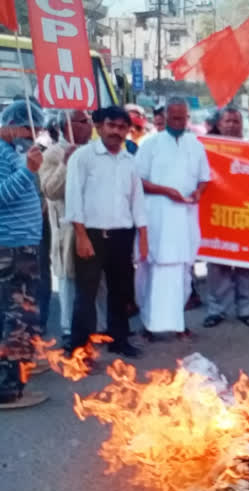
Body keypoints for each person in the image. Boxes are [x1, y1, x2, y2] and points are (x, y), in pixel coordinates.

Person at [0, 99, 47, 409]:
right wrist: (29, 171)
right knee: (20, 314)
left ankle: (21, 364)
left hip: (17, 241)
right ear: (15, 125)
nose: (35, 135)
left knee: (22, 310)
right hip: (9, 244)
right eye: (31, 129)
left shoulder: (1, 149)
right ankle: (10, 388)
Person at [65, 106, 148, 358]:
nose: (116, 131)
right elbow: (73, 199)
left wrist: (143, 239)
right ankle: (79, 348)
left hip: (122, 235)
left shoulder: (130, 161)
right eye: (111, 125)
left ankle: (118, 339)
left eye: (122, 127)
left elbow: (137, 202)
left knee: (120, 291)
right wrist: (80, 236)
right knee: (86, 294)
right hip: (90, 234)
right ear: (99, 127)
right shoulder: (83, 157)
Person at [135, 97, 211, 339]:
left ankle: (178, 322)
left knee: (183, 272)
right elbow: (138, 181)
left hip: (185, 218)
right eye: (174, 117)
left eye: (183, 118)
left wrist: (199, 192)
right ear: (165, 117)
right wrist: (167, 191)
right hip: (158, 218)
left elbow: (204, 177)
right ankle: (150, 324)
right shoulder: (150, 144)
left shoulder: (195, 144)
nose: (179, 122)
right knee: (154, 271)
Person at [37, 110, 107, 343]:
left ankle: (102, 327)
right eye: (84, 122)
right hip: (67, 229)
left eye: (89, 121)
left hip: (97, 225)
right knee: (69, 281)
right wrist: (67, 163)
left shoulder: (97, 150)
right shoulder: (53, 154)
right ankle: (70, 331)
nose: (90, 126)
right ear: (68, 126)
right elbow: (50, 190)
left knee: (99, 281)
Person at [204, 107, 249, 329]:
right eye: (228, 121)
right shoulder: (207, 149)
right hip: (216, 214)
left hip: (245, 214)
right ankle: (216, 310)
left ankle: (245, 309)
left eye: (236, 121)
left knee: (246, 264)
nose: (232, 125)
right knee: (217, 264)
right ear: (219, 124)